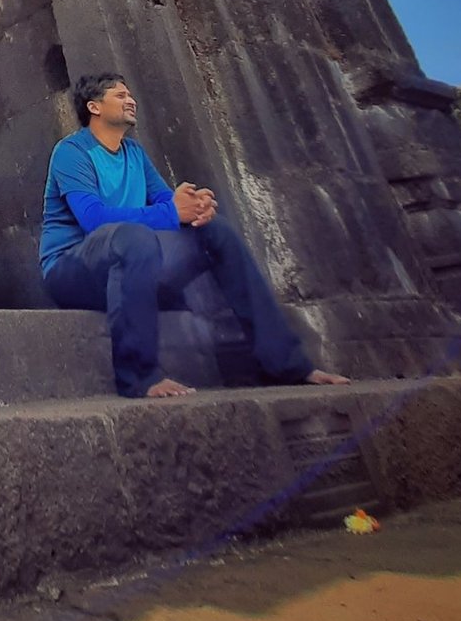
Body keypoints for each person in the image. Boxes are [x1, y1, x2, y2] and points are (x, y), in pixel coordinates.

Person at [39, 70, 347, 400]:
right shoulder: (72, 152)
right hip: (71, 271)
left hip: (130, 269)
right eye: (120, 95)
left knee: (215, 231)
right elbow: (94, 219)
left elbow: (165, 201)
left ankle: (286, 364)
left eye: (130, 94)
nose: (131, 100)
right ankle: (139, 377)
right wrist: (173, 212)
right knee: (134, 237)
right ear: (94, 107)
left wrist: (194, 207)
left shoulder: (134, 154)